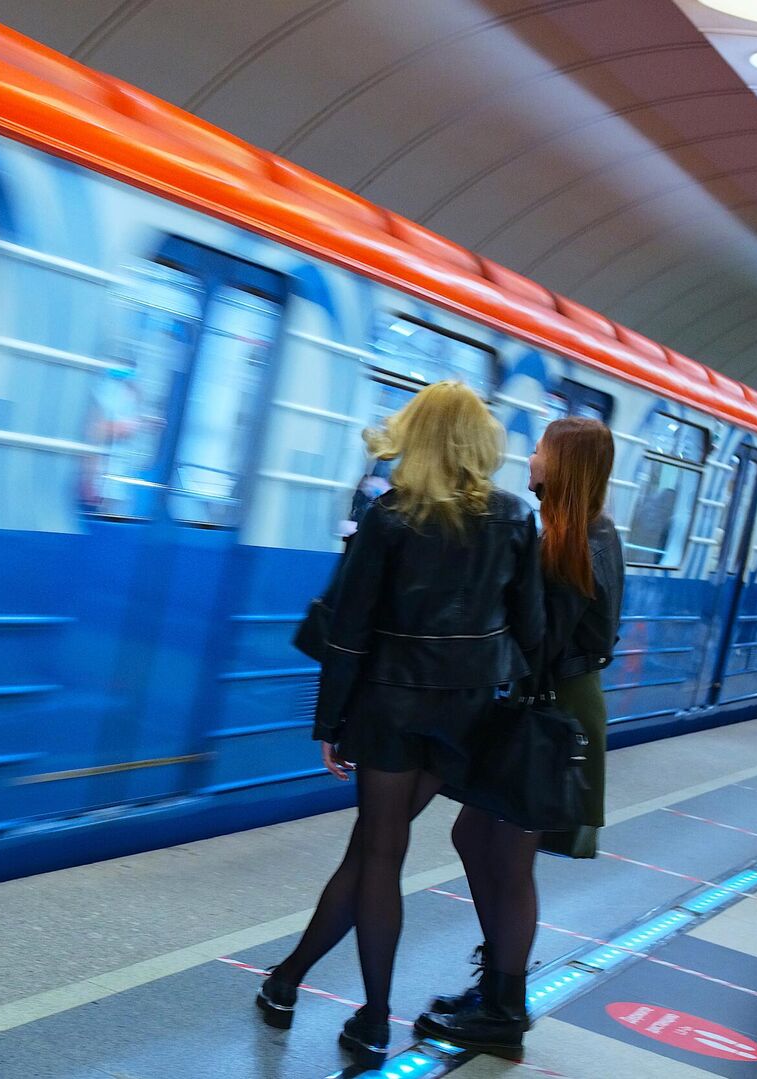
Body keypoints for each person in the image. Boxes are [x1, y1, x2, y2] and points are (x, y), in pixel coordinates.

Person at [253, 382, 543, 1065]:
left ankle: (375, 1017)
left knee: (378, 854)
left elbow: (349, 631)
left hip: (390, 706)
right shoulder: (513, 517)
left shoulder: (391, 516)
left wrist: (330, 721)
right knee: (370, 853)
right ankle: (287, 979)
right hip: (464, 712)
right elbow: (529, 631)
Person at [415, 417, 622, 1057]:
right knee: (475, 835)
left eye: (538, 450)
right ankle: (500, 976)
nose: (527, 459)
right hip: (542, 706)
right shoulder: (574, 532)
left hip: (550, 713)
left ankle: (505, 1008)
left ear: (562, 465)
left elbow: (541, 639)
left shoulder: (579, 540)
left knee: (508, 856)